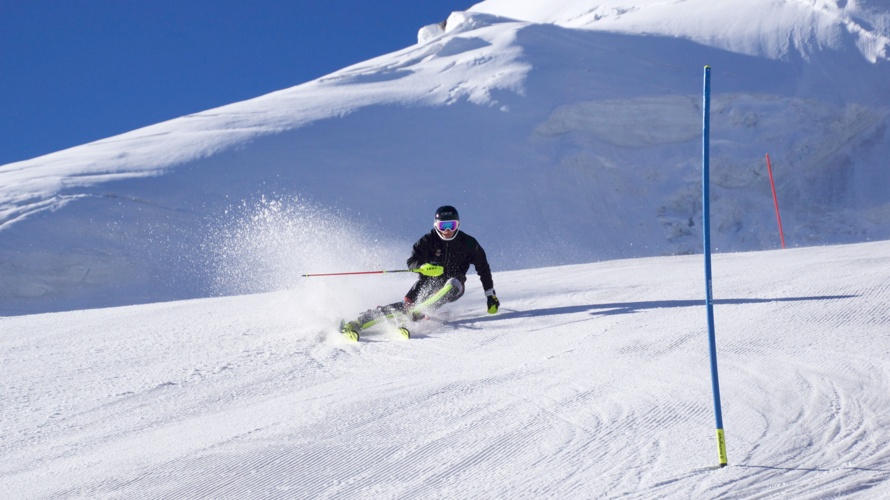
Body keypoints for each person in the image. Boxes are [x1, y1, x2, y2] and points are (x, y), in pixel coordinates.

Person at [341, 205, 499, 340]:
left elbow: (483, 268)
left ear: (458, 225)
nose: (447, 231)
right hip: (427, 281)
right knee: (406, 305)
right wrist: (424, 266)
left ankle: (416, 314)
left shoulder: (468, 243)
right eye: (443, 226)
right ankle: (357, 323)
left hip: (455, 284)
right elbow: (412, 262)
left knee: (452, 284)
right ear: (436, 225)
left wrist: (490, 295)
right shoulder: (428, 240)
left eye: (452, 225)